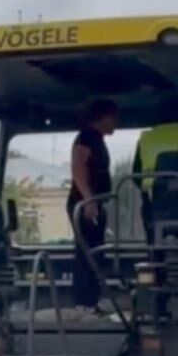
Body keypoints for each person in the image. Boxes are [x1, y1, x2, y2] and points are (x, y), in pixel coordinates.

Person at [132, 98, 178, 243]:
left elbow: (136, 175)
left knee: (152, 228)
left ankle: (153, 255)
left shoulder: (146, 138)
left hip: (155, 203)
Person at [69, 98, 119, 314]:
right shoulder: (87, 137)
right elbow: (78, 167)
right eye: (113, 118)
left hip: (95, 202)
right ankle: (84, 303)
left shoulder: (96, 138)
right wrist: (88, 199)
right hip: (85, 203)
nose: (116, 124)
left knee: (95, 252)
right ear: (104, 117)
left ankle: (92, 301)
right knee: (87, 252)